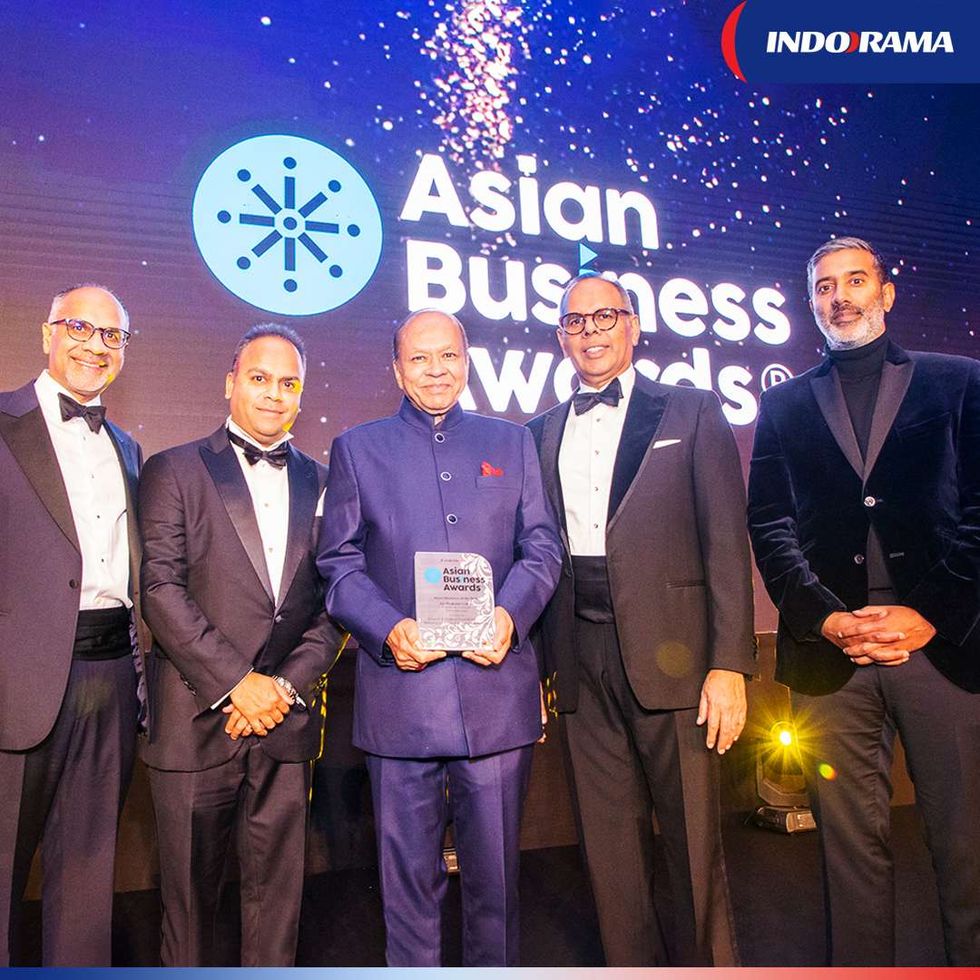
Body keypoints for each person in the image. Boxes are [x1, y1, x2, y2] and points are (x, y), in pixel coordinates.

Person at [747, 236, 980, 966]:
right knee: (849, 860)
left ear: (886, 293)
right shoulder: (783, 403)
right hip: (831, 657)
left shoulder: (958, 382)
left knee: (966, 848)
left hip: (941, 649)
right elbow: (770, 525)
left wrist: (927, 612)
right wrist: (826, 618)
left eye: (855, 281)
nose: (840, 296)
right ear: (811, 301)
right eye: (825, 286)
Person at [316, 309, 561, 966]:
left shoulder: (512, 442)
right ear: (397, 370)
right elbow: (338, 564)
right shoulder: (357, 448)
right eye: (419, 359)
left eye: (448, 355)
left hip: (496, 698)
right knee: (407, 893)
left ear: (467, 361)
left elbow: (542, 549)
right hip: (401, 704)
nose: (435, 370)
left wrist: (510, 615)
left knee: (497, 889)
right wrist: (388, 628)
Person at [527, 271, 755, 966]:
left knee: (692, 847)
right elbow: (536, 556)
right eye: (575, 321)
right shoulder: (538, 433)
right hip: (579, 656)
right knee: (609, 853)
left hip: (678, 659)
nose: (590, 332)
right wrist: (540, 668)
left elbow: (726, 543)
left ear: (632, 325)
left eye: (605, 317)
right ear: (561, 337)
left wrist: (730, 664)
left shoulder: (691, 411)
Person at [138, 324, 342, 966]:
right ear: (230, 383)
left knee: (277, 909)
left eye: (289, 383)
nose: (274, 394)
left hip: (286, 721)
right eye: (259, 378)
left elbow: (336, 603)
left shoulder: (328, 481)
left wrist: (280, 688)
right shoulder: (173, 468)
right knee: (190, 914)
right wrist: (238, 684)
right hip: (195, 720)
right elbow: (160, 590)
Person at [0, 285, 145, 965]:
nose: (95, 345)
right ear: (47, 333)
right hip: (16, 684)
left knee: (88, 881)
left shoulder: (128, 447)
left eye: (111, 335)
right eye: (80, 328)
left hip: (110, 678)